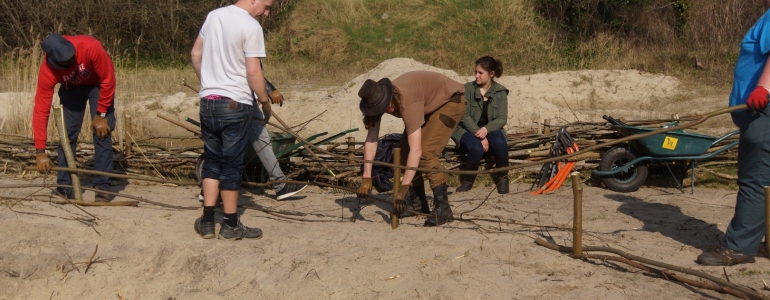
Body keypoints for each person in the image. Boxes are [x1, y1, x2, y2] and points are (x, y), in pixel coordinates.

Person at [190, 0, 274, 240]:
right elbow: (253, 71)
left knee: (212, 160)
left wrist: (207, 83)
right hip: (235, 104)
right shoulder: (250, 25)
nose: (266, 13)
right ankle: (230, 224)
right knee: (232, 164)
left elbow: (196, 53)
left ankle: (207, 221)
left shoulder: (214, 16)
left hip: (209, 102)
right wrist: (264, 99)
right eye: (266, 6)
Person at [696, 0, 770, 266]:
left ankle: (739, 247)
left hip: (764, 110)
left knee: (756, 178)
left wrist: (764, 87)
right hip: (758, 111)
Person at [356, 71, 466, 226]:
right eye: (380, 107)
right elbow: (371, 139)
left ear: (389, 94)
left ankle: (443, 209)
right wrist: (366, 178)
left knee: (426, 152)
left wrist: (403, 188)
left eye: (386, 104)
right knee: (403, 153)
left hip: (450, 102)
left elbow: (417, 150)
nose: (386, 108)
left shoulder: (406, 101)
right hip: (427, 104)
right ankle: (418, 203)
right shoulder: (376, 101)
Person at [33, 33, 116, 202]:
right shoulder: (47, 72)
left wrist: (100, 114)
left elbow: (108, 79)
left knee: (102, 132)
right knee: (67, 135)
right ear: (54, 63)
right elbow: (41, 110)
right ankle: (64, 187)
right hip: (71, 89)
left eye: (73, 61)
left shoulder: (90, 46)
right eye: (66, 65)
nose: (72, 65)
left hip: (98, 86)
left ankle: (102, 187)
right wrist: (40, 151)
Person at [450, 56, 510, 194]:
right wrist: (480, 135)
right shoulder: (468, 89)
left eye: (480, 73)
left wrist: (486, 129)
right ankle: (468, 180)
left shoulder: (500, 92)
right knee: (476, 147)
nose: (476, 75)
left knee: (500, 142)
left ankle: (503, 178)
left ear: (491, 74)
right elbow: (464, 116)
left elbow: (501, 119)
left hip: (488, 127)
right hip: (467, 128)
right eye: (475, 72)